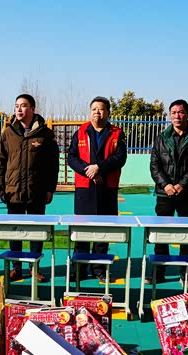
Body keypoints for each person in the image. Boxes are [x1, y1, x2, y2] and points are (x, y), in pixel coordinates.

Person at [0, 94, 59, 283]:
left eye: (23, 106)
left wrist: (50, 188)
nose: (19, 109)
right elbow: (0, 161)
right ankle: (16, 268)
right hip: (13, 191)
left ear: (32, 108)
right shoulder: (8, 133)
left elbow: (53, 164)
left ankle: (34, 267)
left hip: (36, 191)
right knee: (14, 231)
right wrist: (1, 186)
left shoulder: (45, 134)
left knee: (36, 232)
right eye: (16, 106)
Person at [148, 99, 188, 287]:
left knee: (187, 234)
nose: (177, 116)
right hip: (164, 193)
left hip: (187, 194)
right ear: (169, 115)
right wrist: (166, 185)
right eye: (173, 113)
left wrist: (182, 185)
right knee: (161, 234)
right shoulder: (161, 137)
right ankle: (159, 271)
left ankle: (186, 273)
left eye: (181, 112)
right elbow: (155, 165)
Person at [67, 96, 127, 282]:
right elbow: (72, 157)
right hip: (85, 188)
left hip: (107, 188)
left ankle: (99, 269)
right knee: (81, 231)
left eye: (101, 109)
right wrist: (89, 171)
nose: (97, 112)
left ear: (108, 112)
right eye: (94, 109)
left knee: (103, 231)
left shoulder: (117, 133)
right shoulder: (81, 132)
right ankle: (79, 269)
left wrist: (99, 167)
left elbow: (120, 158)